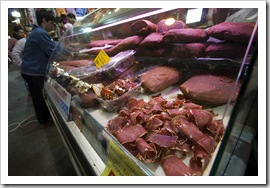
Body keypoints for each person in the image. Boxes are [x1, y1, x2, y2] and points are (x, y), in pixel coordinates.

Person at [21, 9, 56, 125]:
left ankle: (44, 117)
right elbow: (53, 50)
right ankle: (44, 120)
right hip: (34, 71)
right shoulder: (40, 33)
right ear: (44, 21)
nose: (52, 26)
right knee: (39, 97)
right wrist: (68, 50)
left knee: (38, 96)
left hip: (30, 70)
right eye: (51, 23)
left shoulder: (37, 32)